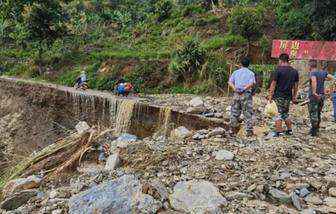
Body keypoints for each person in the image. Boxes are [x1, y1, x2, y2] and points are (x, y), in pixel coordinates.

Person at [268, 53, 299, 137]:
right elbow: (296, 86)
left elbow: (273, 84)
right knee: (285, 113)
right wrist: (294, 96)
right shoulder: (294, 71)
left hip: (278, 95)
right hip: (288, 96)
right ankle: (289, 130)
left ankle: (279, 132)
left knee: (277, 114)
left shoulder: (277, 70)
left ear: (280, 60)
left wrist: (270, 97)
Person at [228, 57, 256, 137]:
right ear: (249, 64)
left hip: (236, 94)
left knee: (234, 112)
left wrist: (235, 89)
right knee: (247, 112)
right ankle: (249, 131)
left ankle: (232, 130)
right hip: (246, 94)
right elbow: (251, 84)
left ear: (241, 64)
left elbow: (230, 82)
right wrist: (244, 89)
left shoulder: (236, 72)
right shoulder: (251, 73)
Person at [307, 60, 334, 136]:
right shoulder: (323, 72)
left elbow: (314, 81)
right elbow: (332, 78)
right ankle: (317, 128)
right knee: (318, 112)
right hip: (322, 96)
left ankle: (313, 131)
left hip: (314, 96)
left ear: (310, 66)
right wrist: (328, 87)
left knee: (313, 113)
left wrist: (314, 92)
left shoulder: (312, 73)